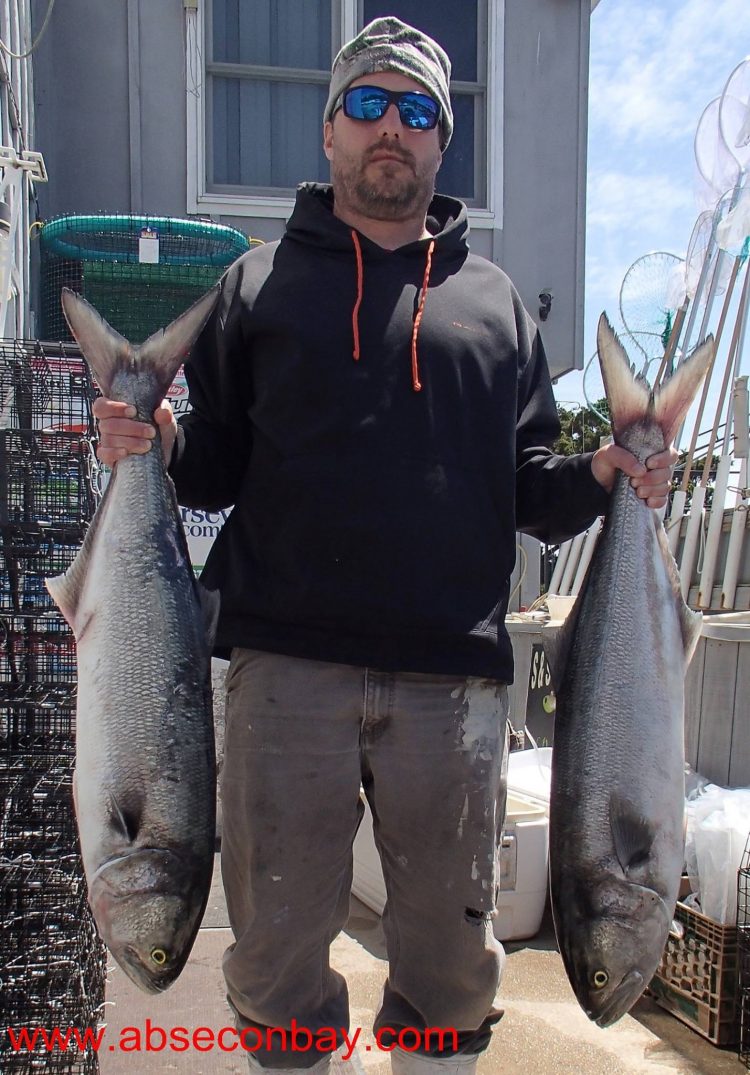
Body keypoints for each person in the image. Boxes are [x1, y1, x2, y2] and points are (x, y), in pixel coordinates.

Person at [93, 17, 676, 1074]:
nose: (390, 130)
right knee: (274, 959)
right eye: (368, 105)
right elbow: (214, 465)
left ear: (441, 142)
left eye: (417, 112)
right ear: (328, 132)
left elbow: (532, 493)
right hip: (285, 672)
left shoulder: (494, 303)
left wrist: (609, 474)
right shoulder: (256, 286)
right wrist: (158, 433)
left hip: (450, 685)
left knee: (452, 970)